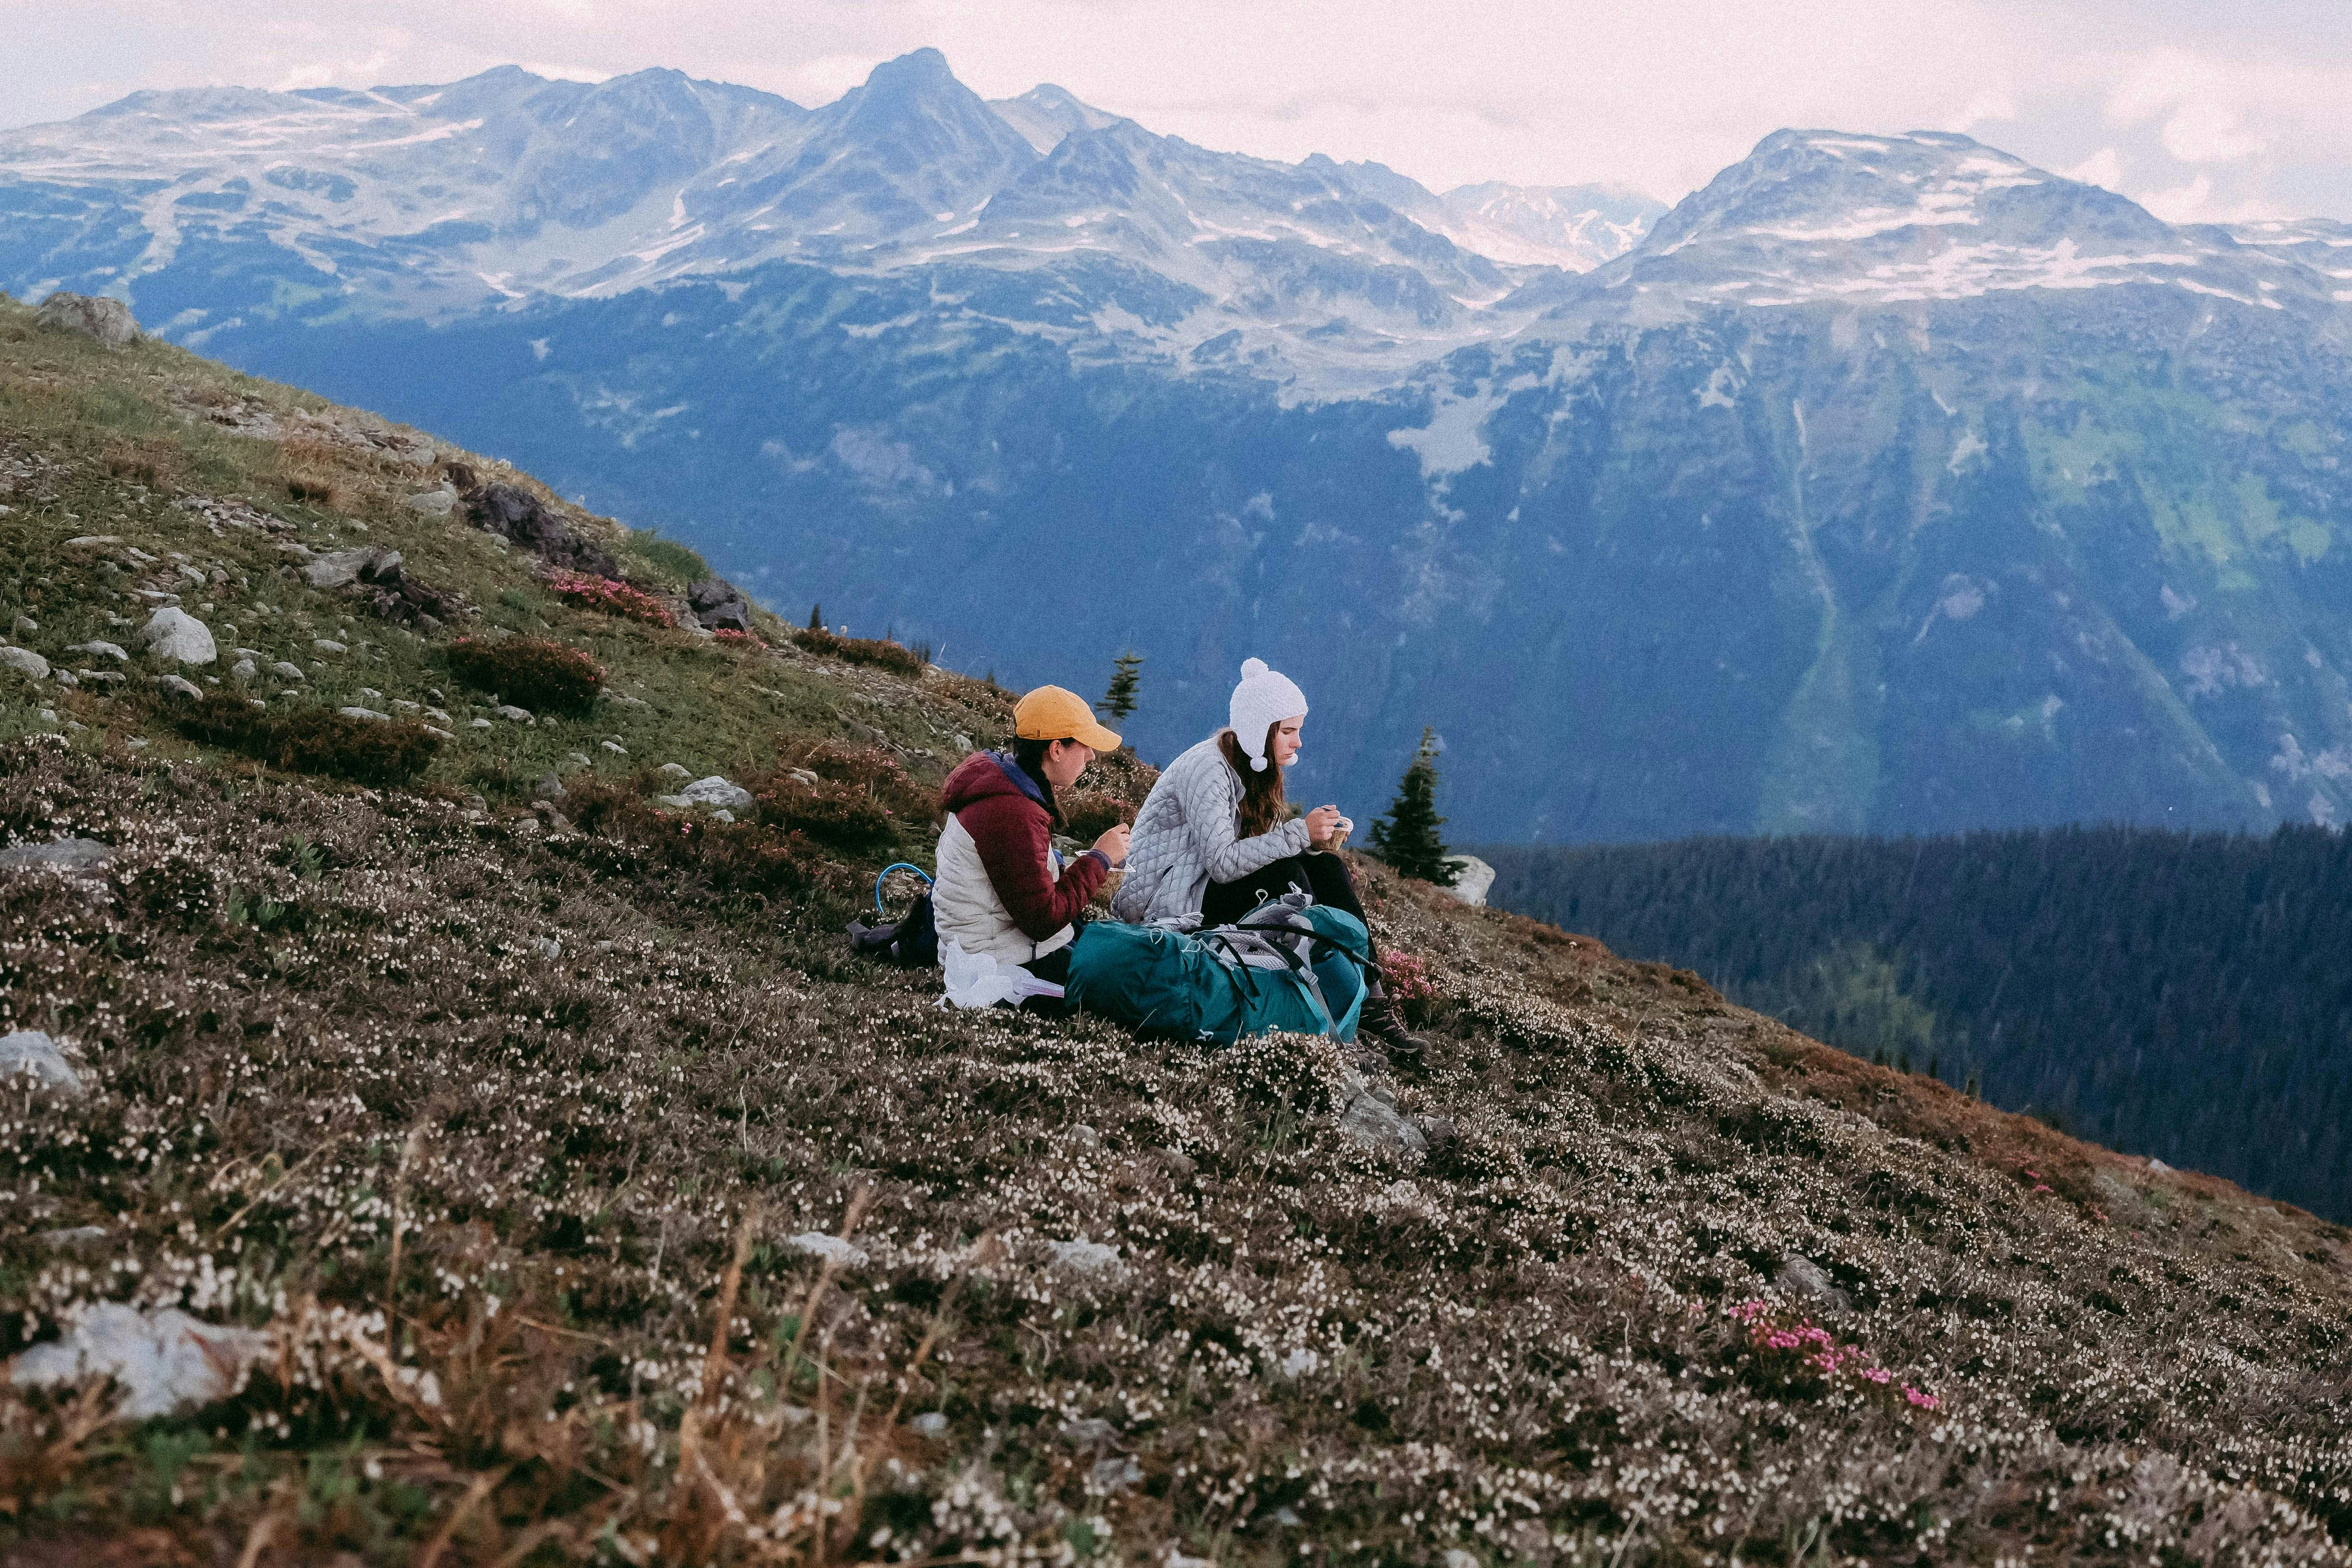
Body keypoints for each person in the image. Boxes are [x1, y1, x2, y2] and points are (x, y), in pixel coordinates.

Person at [1112, 657, 1430, 1064]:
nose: (1298, 742)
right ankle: (1323, 1017)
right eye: (1289, 731)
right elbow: (1224, 862)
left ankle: (1369, 1000)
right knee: (1289, 879)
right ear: (1260, 730)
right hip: (1171, 900)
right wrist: (1298, 834)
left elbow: (1262, 845)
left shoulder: (1253, 765)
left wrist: (1314, 843)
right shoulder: (1208, 769)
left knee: (1326, 869)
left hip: (1206, 885)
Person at [933, 685, 1132, 989]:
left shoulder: (1009, 788)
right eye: (1084, 745)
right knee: (1124, 980)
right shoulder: (1012, 813)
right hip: (993, 962)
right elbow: (1043, 921)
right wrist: (1100, 858)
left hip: (986, 946)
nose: (1091, 756)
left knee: (1112, 952)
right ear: (1056, 750)